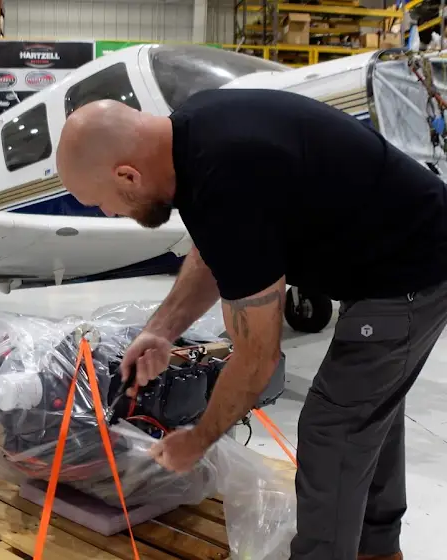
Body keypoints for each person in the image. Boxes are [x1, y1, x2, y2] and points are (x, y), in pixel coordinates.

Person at [56, 88, 447, 560]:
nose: (108, 214)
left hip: (413, 268)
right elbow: (219, 248)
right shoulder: (193, 136)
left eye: (102, 202)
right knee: (365, 407)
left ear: (128, 175)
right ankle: (377, 551)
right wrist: (161, 329)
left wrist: (197, 441)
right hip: (395, 252)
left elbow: (258, 358)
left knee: (334, 428)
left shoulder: (226, 177)